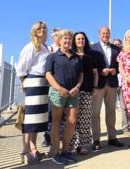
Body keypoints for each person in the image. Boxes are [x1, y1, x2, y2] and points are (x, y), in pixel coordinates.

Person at [45, 29, 83, 165]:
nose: (67, 41)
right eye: (64, 39)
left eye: (69, 39)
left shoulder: (76, 58)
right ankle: (56, 152)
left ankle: (65, 150)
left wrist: (77, 87)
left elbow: (81, 75)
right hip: (57, 92)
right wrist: (59, 88)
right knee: (56, 121)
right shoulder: (53, 57)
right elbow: (48, 74)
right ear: (59, 41)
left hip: (73, 93)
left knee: (71, 121)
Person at [16, 21, 50, 165]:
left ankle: (33, 147)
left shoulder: (45, 47)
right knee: (30, 117)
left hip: (43, 83)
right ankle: (26, 150)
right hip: (33, 82)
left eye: (44, 28)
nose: (42, 30)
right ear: (34, 31)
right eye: (39, 28)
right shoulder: (30, 47)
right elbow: (21, 67)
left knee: (37, 119)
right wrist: (23, 81)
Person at [91, 27, 124, 150]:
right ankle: (96, 140)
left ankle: (112, 137)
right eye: (103, 33)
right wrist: (100, 71)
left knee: (111, 111)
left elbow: (120, 64)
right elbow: (90, 65)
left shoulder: (116, 48)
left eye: (107, 33)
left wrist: (115, 70)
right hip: (98, 83)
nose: (105, 35)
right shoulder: (93, 48)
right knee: (95, 113)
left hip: (112, 83)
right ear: (99, 34)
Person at [69, 32, 99, 155]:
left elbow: (95, 73)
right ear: (74, 41)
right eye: (78, 39)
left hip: (87, 91)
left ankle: (82, 145)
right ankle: (71, 144)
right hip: (72, 92)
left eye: (83, 39)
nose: (81, 40)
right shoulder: (70, 55)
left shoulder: (90, 56)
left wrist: (95, 87)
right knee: (72, 119)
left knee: (85, 118)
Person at [43, 27, 61, 147]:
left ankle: (59, 136)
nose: (58, 37)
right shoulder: (48, 49)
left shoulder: (65, 49)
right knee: (50, 112)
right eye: (56, 35)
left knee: (60, 113)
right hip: (50, 84)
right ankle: (47, 136)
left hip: (62, 84)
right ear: (53, 37)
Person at [113, 38, 130, 135]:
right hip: (113, 84)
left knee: (124, 107)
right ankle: (112, 129)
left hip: (123, 85)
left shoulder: (125, 54)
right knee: (111, 108)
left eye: (118, 44)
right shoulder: (112, 55)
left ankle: (125, 128)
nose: (117, 45)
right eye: (115, 44)